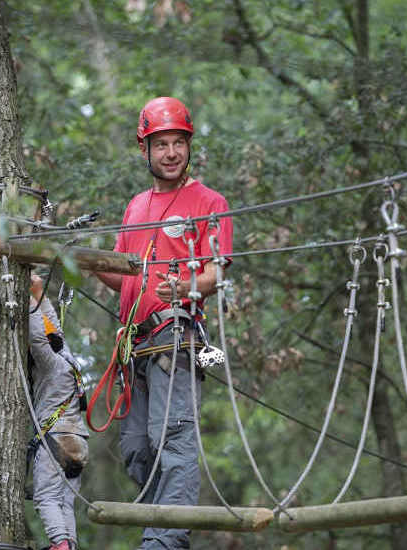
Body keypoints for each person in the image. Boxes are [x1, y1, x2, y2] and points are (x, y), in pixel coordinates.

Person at [94, 96, 233, 549]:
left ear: (189, 147)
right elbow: (125, 275)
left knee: (171, 439)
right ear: (145, 151)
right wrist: (83, 261)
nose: (171, 153)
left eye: (178, 143)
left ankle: (164, 541)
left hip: (176, 339)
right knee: (137, 449)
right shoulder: (136, 206)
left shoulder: (209, 201)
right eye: (161, 145)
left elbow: (216, 270)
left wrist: (190, 284)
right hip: (134, 345)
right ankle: (161, 530)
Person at [28, 274, 89, 550]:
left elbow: (39, 338)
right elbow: (54, 333)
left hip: (56, 439)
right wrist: (39, 292)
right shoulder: (69, 360)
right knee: (65, 500)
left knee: (47, 498)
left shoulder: (51, 365)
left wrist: (28, 298)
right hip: (79, 442)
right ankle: (69, 545)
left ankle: (60, 544)